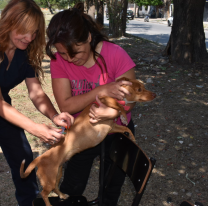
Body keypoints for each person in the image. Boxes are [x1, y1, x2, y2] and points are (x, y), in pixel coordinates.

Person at [46, 3, 136, 206]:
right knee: (72, 185)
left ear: (87, 37)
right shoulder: (59, 60)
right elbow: (67, 106)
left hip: (117, 131)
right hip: (83, 132)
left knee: (111, 187)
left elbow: (129, 99)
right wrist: (99, 91)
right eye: (63, 53)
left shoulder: (115, 54)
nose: (69, 59)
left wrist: (112, 112)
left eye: (75, 52)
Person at [0, 0, 74, 206]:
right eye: (24, 31)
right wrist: (35, 128)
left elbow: (36, 93)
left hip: (3, 108)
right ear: (8, 23)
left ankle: (30, 202)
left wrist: (53, 116)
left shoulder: (25, 52)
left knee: (22, 156)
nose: (29, 38)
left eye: (34, 33)